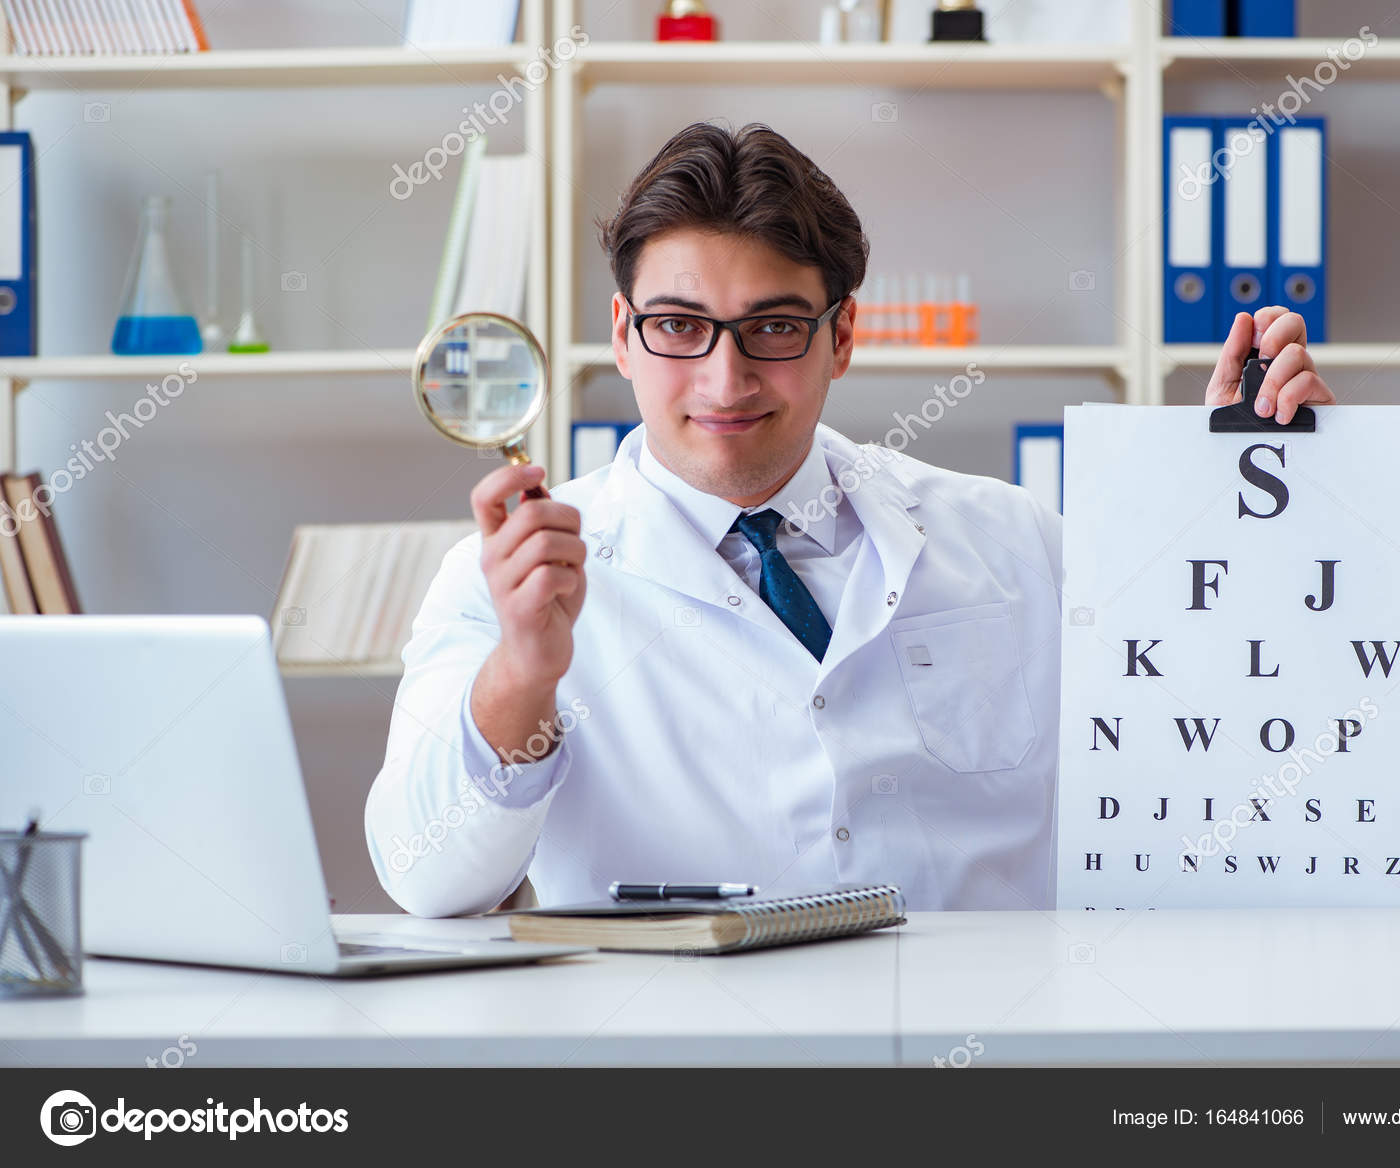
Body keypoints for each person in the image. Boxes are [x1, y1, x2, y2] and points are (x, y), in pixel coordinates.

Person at [365, 122, 1336, 917]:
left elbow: (1222, 748)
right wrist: (522, 676)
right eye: (677, 325)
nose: (724, 376)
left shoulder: (1014, 539)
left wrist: (1246, 507)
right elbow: (428, 879)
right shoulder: (504, 581)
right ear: (623, 336)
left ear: (843, 336)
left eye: (775, 327)